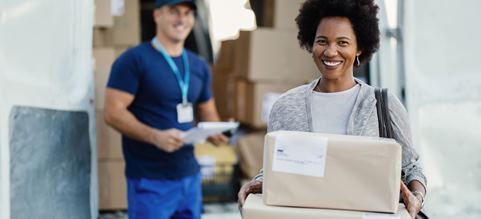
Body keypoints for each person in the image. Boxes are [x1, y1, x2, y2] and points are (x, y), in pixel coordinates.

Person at [237, 0, 427, 218]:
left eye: (343, 42)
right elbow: (278, 167)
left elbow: (412, 168)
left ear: (360, 47)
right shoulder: (287, 105)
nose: (330, 51)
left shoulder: (383, 104)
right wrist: (256, 183)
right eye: (322, 41)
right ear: (311, 43)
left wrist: (417, 197)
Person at [103, 0, 228, 218]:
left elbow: (208, 113)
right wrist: (155, 136)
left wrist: (218, 132)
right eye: (174, 12)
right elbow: (112, 113)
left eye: (188, 13)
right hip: (150, 179)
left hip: (189, 176)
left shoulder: (198, 65)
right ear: (157, 15)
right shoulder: (134, 60)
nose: (182, 19)